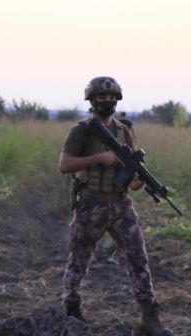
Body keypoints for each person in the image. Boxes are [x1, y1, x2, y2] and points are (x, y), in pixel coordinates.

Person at [58, 76, 173, 336]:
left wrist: (135, 182)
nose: (107, 101)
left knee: (138, 258)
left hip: (120, 204)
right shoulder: (82, 131)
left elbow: (131, 169)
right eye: (101, 97)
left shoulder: (123, 131)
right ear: (91, 99)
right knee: (79, 259)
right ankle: (71, 310)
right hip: (91, 203)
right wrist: (99, 157)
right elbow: (64, 165)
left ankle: (149, 318)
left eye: (111, 97)